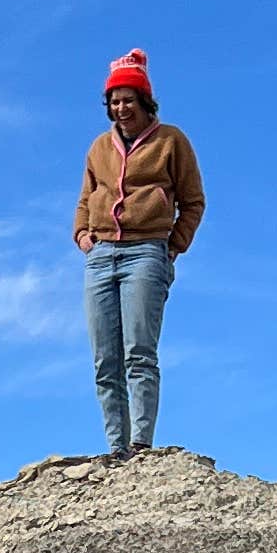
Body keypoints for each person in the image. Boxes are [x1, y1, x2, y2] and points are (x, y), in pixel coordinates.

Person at [72, 48, 205, 459]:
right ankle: (116, 449)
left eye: (128, 99)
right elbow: (85, 197)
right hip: (100, 255)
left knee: (139, 353)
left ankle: (140, 444)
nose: (121, 107)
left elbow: (193, 201)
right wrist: (81, 235)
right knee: (103, 359)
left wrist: (171, 247)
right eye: (114, 100)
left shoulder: (171, 141)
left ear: (145, 101)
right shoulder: (99, 147)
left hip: (146, 253)